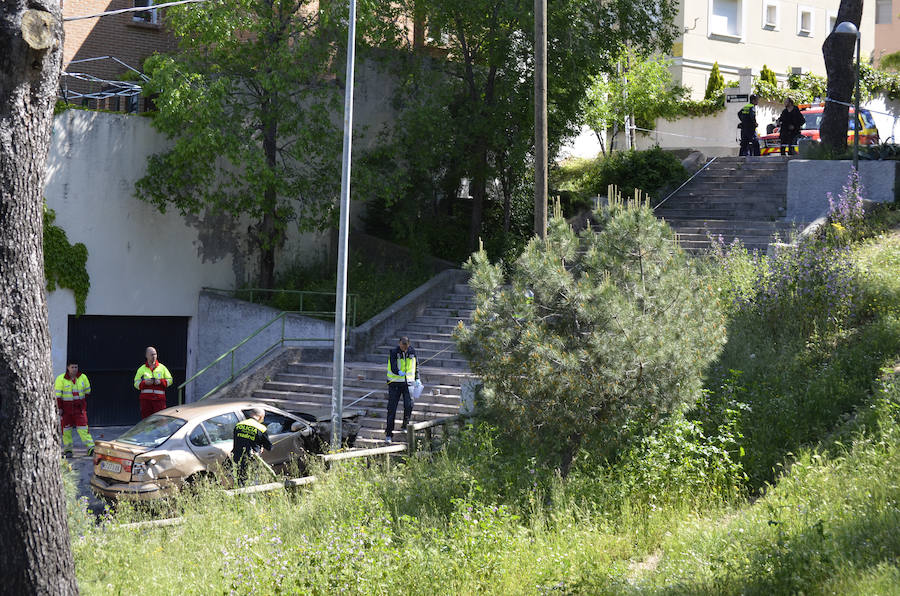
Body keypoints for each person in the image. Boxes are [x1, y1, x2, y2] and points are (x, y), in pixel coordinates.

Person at [54, 359, 95, 457]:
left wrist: (82, 405)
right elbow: (58, 396)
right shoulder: (60, 379)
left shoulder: (83, 377)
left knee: (83, 429)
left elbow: (87, 392)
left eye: (76, 367)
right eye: (72, 367)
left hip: (79, 410)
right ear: (68, 368)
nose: (74, 369)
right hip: (66, 410)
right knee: (66, 431)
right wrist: (59, 408)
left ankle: (91, 448)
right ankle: (68, 450)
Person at [385, 336, 419, 444]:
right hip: (395, 384)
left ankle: (405, 424)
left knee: (409, 405)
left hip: (408, 383)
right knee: (392, 409)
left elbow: (416, 366)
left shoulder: (412, 352)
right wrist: (398, 372)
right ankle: (389, 433)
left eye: (406, 346)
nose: (404, 348)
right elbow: (393, 366)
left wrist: (417, 378)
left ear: (408, 345)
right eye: (402, 345)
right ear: (399, 343)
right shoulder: (394, 352)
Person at [231, 408, 272, 486]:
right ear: (260, 417)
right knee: (253, 481)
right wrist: (261, 447)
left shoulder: (239, 425)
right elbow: (269, 447)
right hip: (252, 459)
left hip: (237, 457)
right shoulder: (261, 428)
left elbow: (239, 441)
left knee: (240, 481)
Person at [133, 346, 173, 419]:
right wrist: (145, 383)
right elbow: (136, 384)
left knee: (160, 421)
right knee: (146, 421)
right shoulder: (141, 369)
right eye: (152, 354)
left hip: (159, 400)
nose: (154, 356)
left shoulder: (162, 368)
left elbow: (170, 380)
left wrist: (160, 382)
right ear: (146, 356)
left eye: (155, 354)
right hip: (146, 401)